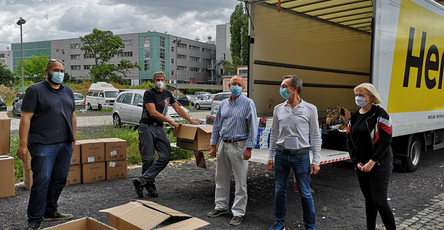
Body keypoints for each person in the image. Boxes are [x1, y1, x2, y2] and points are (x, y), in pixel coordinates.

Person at [16, 59, 76, 230]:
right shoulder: (35, 91)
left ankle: (50, 211)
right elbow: (25, 118)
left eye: (62, 70)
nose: (59, 73)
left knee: (60, 179)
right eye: (56, 70)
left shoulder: (68, 91)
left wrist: (73, 138)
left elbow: (72, 116)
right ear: (47, 71)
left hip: (64, 143)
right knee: (42, 181)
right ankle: (34, 221)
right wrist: (23, 144)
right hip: (43, 145)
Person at [132, 71, 201, 198]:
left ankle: (142, 180)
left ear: (165, 81)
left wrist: (191, 121)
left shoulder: (168, 93)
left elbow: (178, 108)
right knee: (148, 158)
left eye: (162, 79)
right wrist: (170, 121)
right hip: (147, 127)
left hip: (159, 127)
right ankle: (150, 185)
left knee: (165, 156)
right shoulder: (149, 93)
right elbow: (152, 112)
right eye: (158, 79)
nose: (160, 82)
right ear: (153, 81)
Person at [267, 75, 321, 230]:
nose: (281, 89)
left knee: (305, 192)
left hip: (301, 156)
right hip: (281, 154)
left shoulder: (310, 109)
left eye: (284, 86)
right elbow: (274, 134)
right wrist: (271, 156)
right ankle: (279, 222)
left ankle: (310, 226)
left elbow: (315, 136)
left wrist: (316, 160)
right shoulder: (278, 109)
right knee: (279, 190)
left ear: (294, 88)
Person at [207, 75, 258, 226]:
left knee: (240, 181)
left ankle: (238, 212)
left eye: (239, 84)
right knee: (220, 177)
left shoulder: (248, 103)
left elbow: (253, 128)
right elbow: (216, 126)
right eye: (233, 83)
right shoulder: (223, 104)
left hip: (239, 146)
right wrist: (213, 145)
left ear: (243, 87)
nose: (235, 86)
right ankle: (221, 206)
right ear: (229, 86)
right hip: (224, 144)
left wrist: (249, 148)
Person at [346, 83, 396, 230]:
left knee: (379, 201)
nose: (358, 98)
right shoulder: (354, 116)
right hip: (362, 165)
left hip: (380, 163)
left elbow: (387, 141)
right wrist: (356, 162)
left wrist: (372, 161)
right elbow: (349, 141)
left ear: (371, 97)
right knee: (369, 200)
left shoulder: (380, 114)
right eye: (356, 95)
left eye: (361, 95)